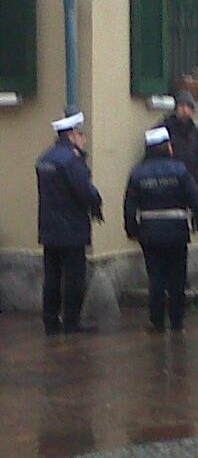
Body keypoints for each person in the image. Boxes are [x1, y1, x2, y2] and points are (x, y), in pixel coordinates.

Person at [124, 127, 198, 333]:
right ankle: (177, 321)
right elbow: (194, 198)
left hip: (150, 234)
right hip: (177, 233)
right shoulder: (179, 170)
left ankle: (157, 321)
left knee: (156, 278)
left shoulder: (137, 173)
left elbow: (129, 205)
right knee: (177, 278)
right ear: (166, 147)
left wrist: (132, 230)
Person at [36, 112, 103, 335]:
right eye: (81, 134)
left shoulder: (45, 158)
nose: (83, 139)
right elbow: (84, 191)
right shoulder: (71, 160)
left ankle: (50, 320)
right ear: (72, 135)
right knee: (74, 277)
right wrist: (96, 199)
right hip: (71, 228)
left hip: (49, 227)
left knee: (52, 277)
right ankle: (72, 320)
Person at [160, 91, 198, 189]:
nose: (185, 110)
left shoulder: (195, 131)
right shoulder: (164, 128)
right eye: (182, 106)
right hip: (169, 185)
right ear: (176, 108)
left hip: (190, 184)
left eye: (189, 107)